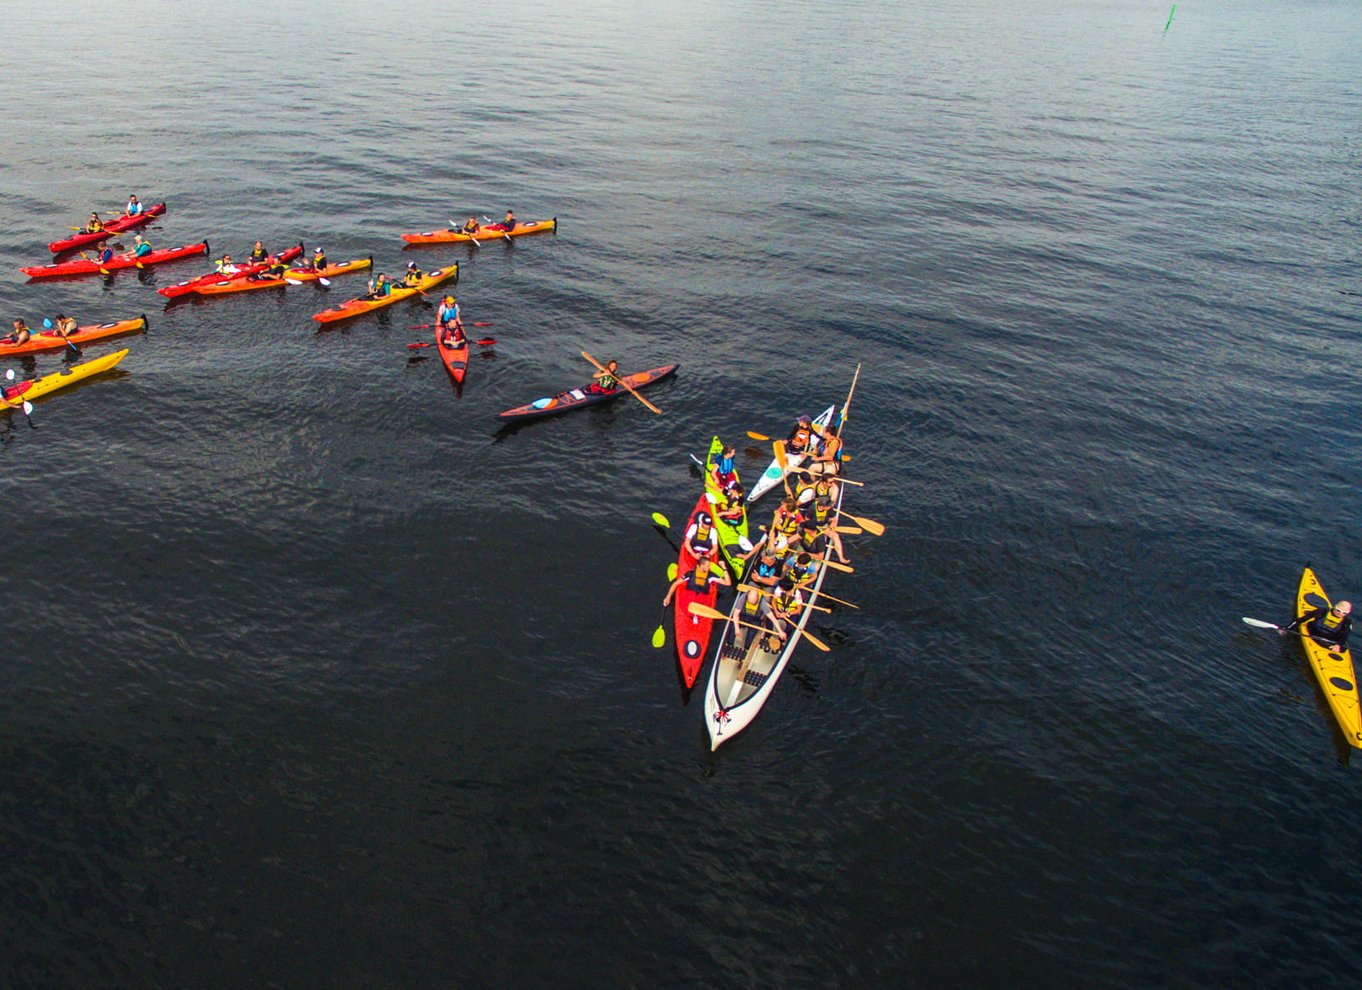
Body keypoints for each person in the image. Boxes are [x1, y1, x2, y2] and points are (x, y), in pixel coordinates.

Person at [662, 555, 731, 608]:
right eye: (708, 566)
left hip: (702, 600)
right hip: (690, 599)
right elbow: (675, 583)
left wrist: (724, 568)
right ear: (702, 566)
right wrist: (668, 597)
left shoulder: (711, 576)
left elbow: (728, 583)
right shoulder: (690, 574)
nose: (710, 567)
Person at [1285, 600, 1353, 653]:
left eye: (1344, 613)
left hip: (1329, 640)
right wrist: (1287, 629)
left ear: (1348, 613)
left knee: (1344, 646)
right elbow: (1302, 619)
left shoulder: (1347, 622)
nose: (1340, 614)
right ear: (1335, 607)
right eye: (1338, 610)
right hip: (1313, 633)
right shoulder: (1322, 611)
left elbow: (1345, 635)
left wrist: (1338, 645)